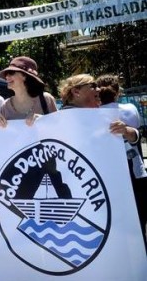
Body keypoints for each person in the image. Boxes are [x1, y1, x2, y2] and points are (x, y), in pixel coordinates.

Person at [59, 74, 144, 248]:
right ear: (76, 91)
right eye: (93, 85)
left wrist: (127, 131)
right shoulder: (57, 121)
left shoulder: (104, 114)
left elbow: (134, 138)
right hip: (88, 194)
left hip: (120, 186)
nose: (98, 90)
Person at [96, 74, 146, 246]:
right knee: (140, 221)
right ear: (118, 92)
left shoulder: (91, 115)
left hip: (109, 176)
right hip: (134, 171)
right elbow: (137, 127)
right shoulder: (129, 109)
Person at [0, 56, 57, 128]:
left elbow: (59, 126)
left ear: (25, 76)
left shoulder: (46, 99)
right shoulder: (5, 106)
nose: (7, 77)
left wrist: (43, 120)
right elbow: (4, 135)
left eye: (11, 72)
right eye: (6, 73)